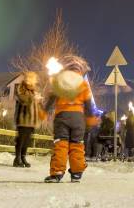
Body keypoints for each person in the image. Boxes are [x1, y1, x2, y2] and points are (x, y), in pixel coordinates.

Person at [41, 55, 98, 183]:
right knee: (77, 145)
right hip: (78, 117)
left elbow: (51, 98)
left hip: (62, 116)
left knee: (61, 144)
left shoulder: (60, 80)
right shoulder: (83, 83)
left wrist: (44, 112)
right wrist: (90, 118)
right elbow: (88, 103)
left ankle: (57, 172)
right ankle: (77, 173)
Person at [14, 71, 40, 168]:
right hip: (23, 119)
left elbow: (35, 105)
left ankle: (23, 157)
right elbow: (23, 100)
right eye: (33, 79)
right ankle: (17, 159)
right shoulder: (21, 88)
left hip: (31, 120)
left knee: (27, 140)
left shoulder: (33, 90)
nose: (34, 81)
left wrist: (38, 100)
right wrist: (34, 98)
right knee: (21, 140)